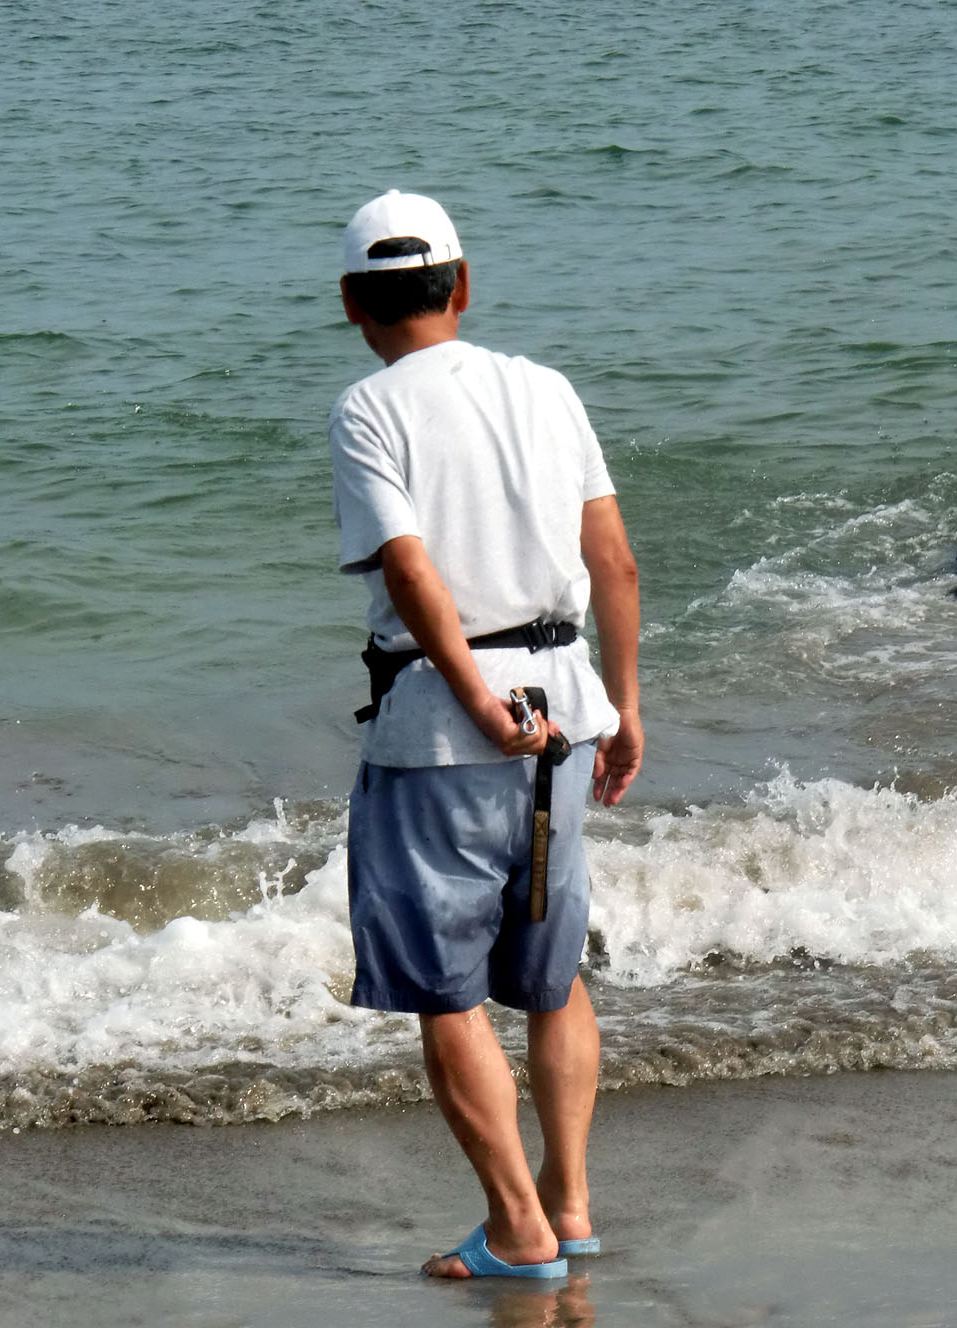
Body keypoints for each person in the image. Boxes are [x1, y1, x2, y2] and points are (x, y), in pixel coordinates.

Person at [328, 190, 643, 1279]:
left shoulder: (370, 408)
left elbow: (412, 570)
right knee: (553, 978)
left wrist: (468, 697)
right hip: (562, 709)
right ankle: (571, 1198)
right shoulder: (544, 389)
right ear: (462, 286)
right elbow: (614, 559)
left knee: (446, 990)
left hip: (444, 733)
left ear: (350, 302)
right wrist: (627, 701)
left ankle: (518, 1230)